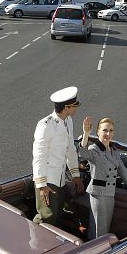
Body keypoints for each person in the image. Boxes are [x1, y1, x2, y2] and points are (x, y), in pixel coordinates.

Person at [79, 116, 127, 240]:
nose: (108, 134)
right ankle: (95, 253)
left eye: (111, 130)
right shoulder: (94, 149)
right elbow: (82, 154)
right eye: (105, 130)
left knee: (105, 227)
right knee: (99, 229)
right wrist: (86, 133)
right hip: (98, 194)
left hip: (110, 194)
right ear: (98, 132)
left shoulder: (114, 151)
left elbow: (125, 173)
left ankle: (99, 250)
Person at [32, 86, 84, 227]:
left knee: (58, 216)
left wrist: (75, 174)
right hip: (48, 181)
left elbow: (70, 149)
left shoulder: (68, 121)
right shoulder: (45, 125)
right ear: (66, 107)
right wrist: (42, 185)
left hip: (60, 179)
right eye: (74, 106)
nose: (76, 109)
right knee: (46, 217)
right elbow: (39, 156)